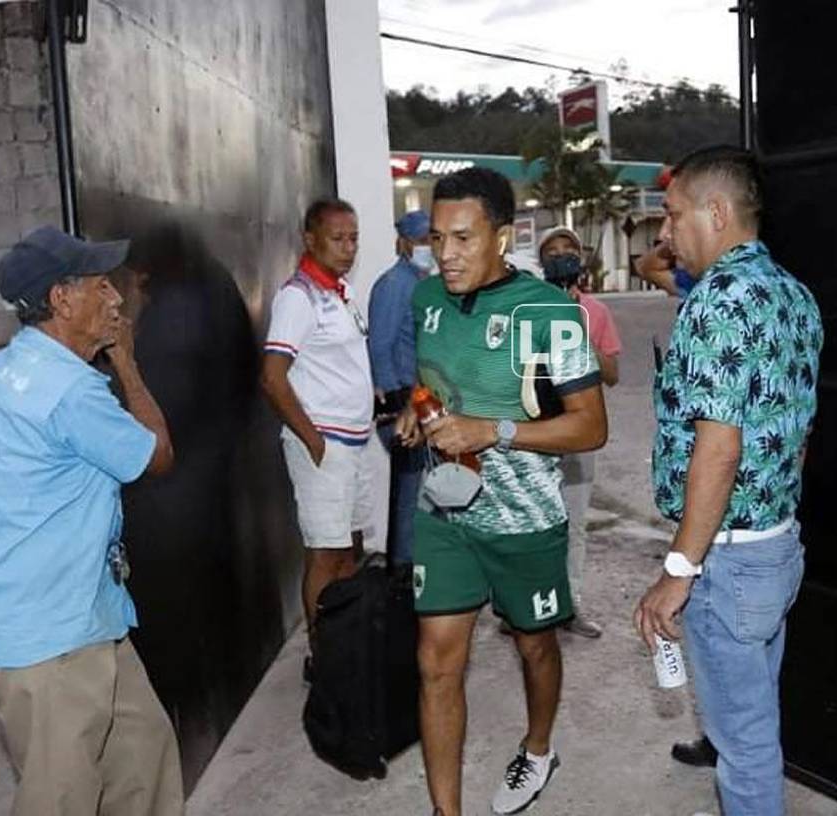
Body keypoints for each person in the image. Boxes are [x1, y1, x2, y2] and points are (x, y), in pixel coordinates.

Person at [396, 168, 608, 816]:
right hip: (446, 508)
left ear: (504, 236)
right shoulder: (425, 300)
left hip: (525, 518)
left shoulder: (549, 310)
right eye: (438, 239)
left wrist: (495, 429)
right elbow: (433, 384)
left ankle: (539, 750)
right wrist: (417, 409)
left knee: (534, 644)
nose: (448, 254)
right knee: (436, 660)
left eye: (464, 238)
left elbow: (592, 426)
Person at [0, 225, 182, 816]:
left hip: (83, 618)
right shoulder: (68, 392)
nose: (116, 299)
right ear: (61, 300)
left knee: (143, 757)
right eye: (100, 286)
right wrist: (128, 365)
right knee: (60, 797)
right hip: (51, 638)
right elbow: (156, 455)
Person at [633, 146, 823, 816]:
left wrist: (680, 569)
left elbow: (718, 447)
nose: (665, 232)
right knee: (755, 718)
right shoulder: (795, 295)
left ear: (716, 212)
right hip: (778, 548)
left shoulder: (716, 302)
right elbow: (795, 434)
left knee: (744, 751)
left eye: (675, 214)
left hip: (727, 560)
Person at [260, 198, 374, 656]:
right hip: (327, 448)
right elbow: (272, 377)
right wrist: (314, 441)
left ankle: (346, 646)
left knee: (350, 550)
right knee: (325, 554)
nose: (348, 248)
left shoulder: (338, 293)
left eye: (353, 239)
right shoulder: (298, 297)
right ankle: (323, 657)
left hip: (353, 444)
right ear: (310, 239)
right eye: (337, 238)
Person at [537, 234, 623, 640]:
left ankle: (569, 606)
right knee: (532, 524)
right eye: (552, 254)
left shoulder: (596, 311)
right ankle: (524, 606)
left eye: (567, 253)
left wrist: (578, 329)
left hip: (580, 432)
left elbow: (612, 374)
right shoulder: (527, 308)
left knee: (573, 524)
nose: (561, 260)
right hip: (535, 434)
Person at [368, 210, 433, 566]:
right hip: (401, 404)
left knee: (420, 493)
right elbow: (380, 345)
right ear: (404, 244)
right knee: (407, 496)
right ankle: (402, 577)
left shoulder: (423, 282)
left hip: (420, 400)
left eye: (432, 240)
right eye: (422, 241)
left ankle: (412, 570)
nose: (429, 248)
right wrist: (393, 401)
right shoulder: (396, 284)